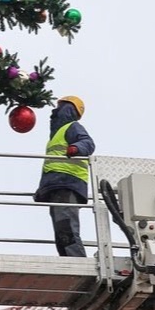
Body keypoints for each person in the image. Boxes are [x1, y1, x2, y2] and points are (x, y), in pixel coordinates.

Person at [32, 95, 95, 257]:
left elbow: (88, 143)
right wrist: (43, 190)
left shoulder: (73, 127)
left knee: (66, 227)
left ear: (69, 109)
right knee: (61, 230)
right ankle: (69, 259)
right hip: (59, 185)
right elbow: (51, 167)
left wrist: (75, 148)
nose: (56, 110)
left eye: (61, 106)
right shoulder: (57, 135)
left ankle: (78, 261)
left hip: (68, 184)